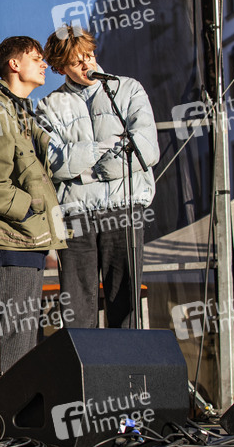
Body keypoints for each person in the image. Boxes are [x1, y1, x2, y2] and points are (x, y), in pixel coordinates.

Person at [0, 36, 66, 395]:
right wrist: (27, 207)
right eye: (36, 58)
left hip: (23, 238)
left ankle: (7, 411)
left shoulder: (20, 112)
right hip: (9, 238)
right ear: (14, 64)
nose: (44, 64)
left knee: (20, 336)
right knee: (11, 338)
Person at [35, 26, 159, 329]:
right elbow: (53, 162)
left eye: (89, 55)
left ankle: (126, 361)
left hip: (124, 207)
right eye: (76, 61)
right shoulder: (48, 106)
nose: (87, 64)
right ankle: (81, 362)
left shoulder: (128, 89)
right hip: (74, 214)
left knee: (125, 303)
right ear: (60, 67)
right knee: (77, 308)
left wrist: (89, 170)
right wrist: (104, 149)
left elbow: (145, 149)